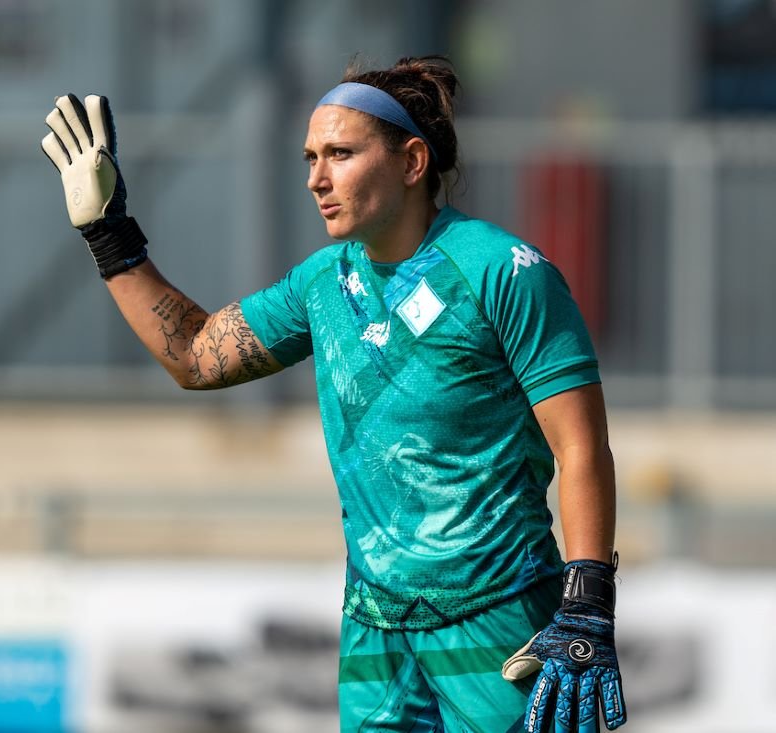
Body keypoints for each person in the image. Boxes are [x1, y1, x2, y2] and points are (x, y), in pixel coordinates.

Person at [41, 55, 627, 733]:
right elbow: (198, 356)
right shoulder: (322, 282)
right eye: (310, 157)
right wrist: (108, 234)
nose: (317, 178)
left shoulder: (506, 271)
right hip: (374, 632)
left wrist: (586, 607)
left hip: (499, 620)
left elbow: (581, 446)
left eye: (341, 154)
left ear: (412, 162)